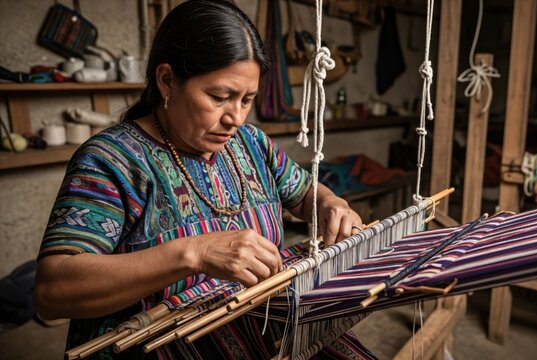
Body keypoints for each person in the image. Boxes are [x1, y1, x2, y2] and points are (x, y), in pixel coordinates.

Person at [34, 1, 376, 359]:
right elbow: (51, 292)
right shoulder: (111, 160)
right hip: (155, 343)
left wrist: (331, 204)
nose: (236, 118)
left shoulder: (252, 144)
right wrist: (195, 253)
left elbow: (305, 192)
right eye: (220, 97)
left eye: (247, 100)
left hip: (257, 324)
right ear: (167, 81)